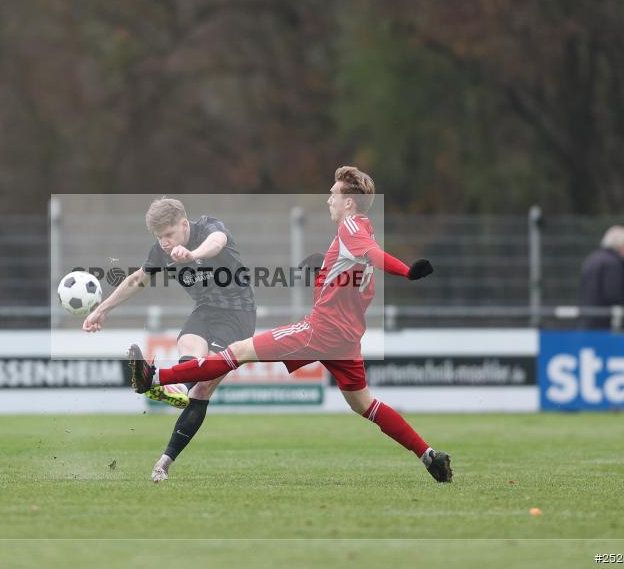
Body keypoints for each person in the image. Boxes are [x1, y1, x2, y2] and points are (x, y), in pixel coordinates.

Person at [127, 166, 453, 483]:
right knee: (365, 404)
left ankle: (155, 376)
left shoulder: (351, 227)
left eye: (333, 194)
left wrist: (408, 272)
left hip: (321, 330)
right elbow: (359, 266)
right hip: (347, 339)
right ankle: (428, 455)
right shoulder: (363, 226)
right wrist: (324, 268)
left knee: (237, 351)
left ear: (348, 202)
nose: (329, 199)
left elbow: (374, 255)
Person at [82, 198, 257, 481]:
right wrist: (101, 310)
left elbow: (217, 243)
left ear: (184, 225)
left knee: (201, 389)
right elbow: (139, 279)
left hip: (238, 315)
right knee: (188, 346)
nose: (164, 242)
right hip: (205, 312)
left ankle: (164, 458)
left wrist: (192, 253)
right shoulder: (161, 251)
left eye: (169, 234)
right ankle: (174, 391)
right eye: (158, 236)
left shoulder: (208, 228)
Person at [579, 225, 624, 330]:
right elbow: (614, 295)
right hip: (608, 323)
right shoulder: (614, 263)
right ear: (620, 245)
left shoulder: (591, 259)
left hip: (589, 319)